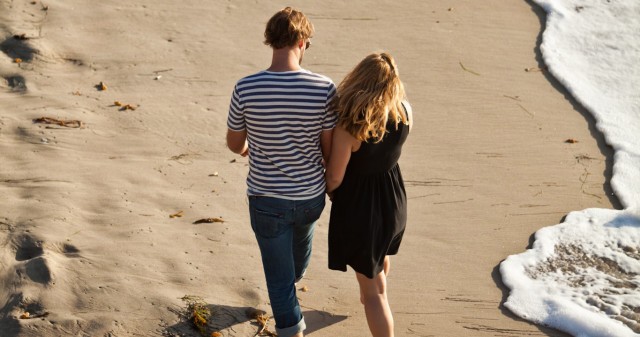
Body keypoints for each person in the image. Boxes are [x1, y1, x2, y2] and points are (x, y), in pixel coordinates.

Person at [225, 7, 337, 337]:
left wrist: (249, 150)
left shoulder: (246, 87)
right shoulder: (324, 88)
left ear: (270, 40)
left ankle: (291, 329)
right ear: (303, 42)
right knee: (301, 246)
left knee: (278, 280)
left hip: (265, 198)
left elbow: (234, 143)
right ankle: (295, 280)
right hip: (309, 196)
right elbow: (327, 149)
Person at [324, 52, 412, 337]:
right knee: (381, 256)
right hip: (394, 200)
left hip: (363, 210)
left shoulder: (351, 128)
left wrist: (327, 191)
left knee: (373, 294)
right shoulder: (405, 112)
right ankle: (376, 288)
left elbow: (335, 176)